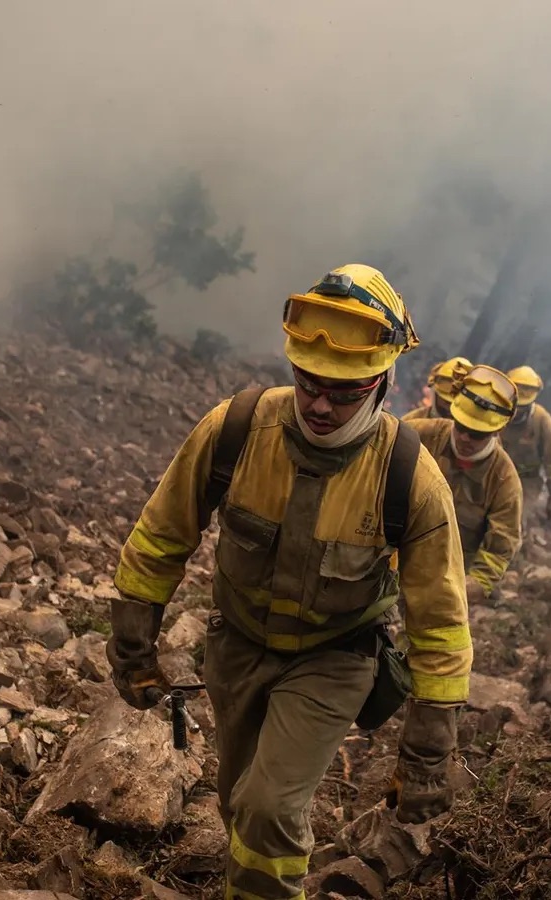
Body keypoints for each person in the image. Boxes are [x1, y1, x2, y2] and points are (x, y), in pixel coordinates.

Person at [108, 264, 472, 900]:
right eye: (308, 383)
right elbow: (162, 534)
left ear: (384, 380)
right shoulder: (237, 430)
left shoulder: (411, 477)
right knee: (241, 803)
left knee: (271, 809)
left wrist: (426, 755)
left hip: (335, 660)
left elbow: (440, 623)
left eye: (345, 391)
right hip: (236, 648)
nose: (321, 405)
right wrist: (133, 643)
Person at [408, 364, 523, 605]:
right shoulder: (418, 434)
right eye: (461, 427)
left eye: (477, 434)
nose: (464, 438)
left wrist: (471, 587)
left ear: (497, 431)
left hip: (447, 577)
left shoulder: (504, 480)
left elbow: (500, 548)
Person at [501, 365, 551, 524]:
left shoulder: (546, 425)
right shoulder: (496, 411)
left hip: (525, 481)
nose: (516, 412)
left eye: (521, 408)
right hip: (493, 474)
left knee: (513, 522)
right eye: (513, 404)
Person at [402, 356, 472, 422]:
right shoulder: (411, 421)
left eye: (455, 403)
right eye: (446, 401)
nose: (449, 408)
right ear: (435, 393)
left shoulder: (477, 431)